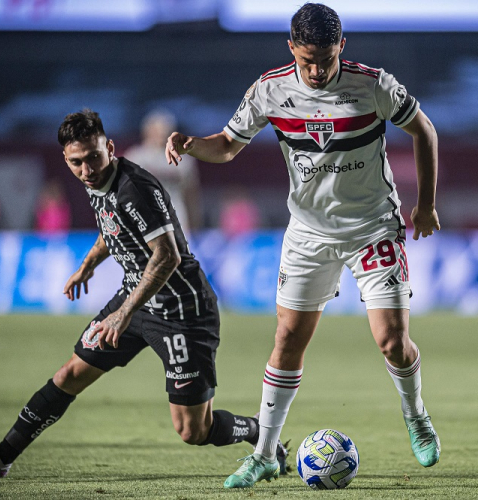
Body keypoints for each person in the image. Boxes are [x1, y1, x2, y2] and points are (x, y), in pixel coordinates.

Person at [166, 3, 441, 489]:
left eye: (327, 60)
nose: (316, 71)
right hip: (308, 234)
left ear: (342, 47)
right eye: (308, 60)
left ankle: (416, 413)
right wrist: (191, 144)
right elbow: (228, 145)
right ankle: (266, 454)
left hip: (373, 227)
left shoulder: (373, 84)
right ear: (291, 47)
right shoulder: (269, 90)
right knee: (288, 339)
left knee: (392, 341)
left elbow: (424, 130)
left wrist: (425, 205)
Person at [0, 109, 285, 478]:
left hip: (182, 313)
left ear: (109, 147)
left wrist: (123, 313)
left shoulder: (133, 188)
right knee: (70, 374)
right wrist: (90, 263)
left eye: (93, 157)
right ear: (66, 158)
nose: (87, 169)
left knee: (193, 430)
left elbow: (168, 255)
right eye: (77, 162)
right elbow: (113, 228)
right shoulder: (97, 184)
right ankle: (3, 455)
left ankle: (255, 430)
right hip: (135, 301)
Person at [125, 109, 203, 232]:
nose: (161, 134)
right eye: (156, 130)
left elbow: (190, 193)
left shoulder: (182, 160)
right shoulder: (136, 157)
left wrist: (195, 220)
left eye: (165, 130)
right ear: (147, 131)